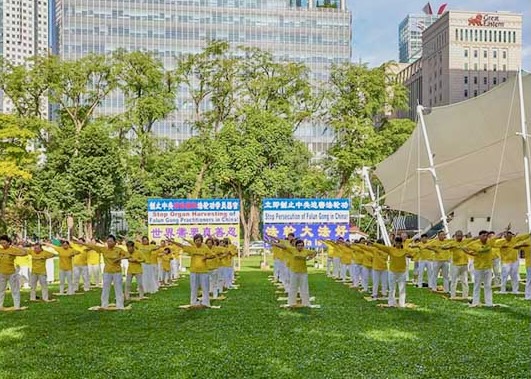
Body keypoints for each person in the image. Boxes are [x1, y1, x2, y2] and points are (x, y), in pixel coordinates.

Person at [82, 235, 129, 309]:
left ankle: (120, 305)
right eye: (108, 241)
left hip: (117, 272)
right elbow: (91, 246)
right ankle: (104, 304)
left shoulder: (119, 249)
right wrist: (81, 243)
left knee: (118, 288)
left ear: (114, 242)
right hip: (107, 271)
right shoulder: (103, 249)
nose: (109, 243)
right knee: (105, 288)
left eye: (111, 241)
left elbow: (128, 255)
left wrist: (120, 258)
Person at [170, 234, 214, 307]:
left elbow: (212, 255)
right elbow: (181, 245)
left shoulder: (205, 247)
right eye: (196, 241)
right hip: (193, 271)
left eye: (199, 240)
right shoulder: (191, 248)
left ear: (201, 241)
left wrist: (206, 257)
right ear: (194, 241)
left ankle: (206, 303)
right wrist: (173, 242)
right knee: (194, 287)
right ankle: (193, 302)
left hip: (203, 271)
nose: (198, 242)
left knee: (205, 288)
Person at [373, 237, 417, 308]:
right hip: (392, 271)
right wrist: (373, 243)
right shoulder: (390, 249)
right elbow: (382, 247)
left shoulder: (404, 250)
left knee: (402, 289)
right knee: (392, 288)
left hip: (402, 272)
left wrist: (411, 255)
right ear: (394, 243)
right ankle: (391, 303)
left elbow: (412, 254)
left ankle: (401, 303)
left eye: (399, 243)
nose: (398, 244)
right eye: (396, 243)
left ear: (401, 243)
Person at [272, 237, 316, 307]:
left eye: (301, 245)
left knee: (304, 288)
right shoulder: (292, 250)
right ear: (296, 246)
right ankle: (291, 303)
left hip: (303, 272)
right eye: (298, 246)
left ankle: (306, 303)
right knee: (293, 287)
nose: (300, 247)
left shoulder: (306, 251)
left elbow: (314, 252)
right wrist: (274, 244)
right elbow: (283, 247)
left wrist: (310, 258)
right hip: (294, 272)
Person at [462, 230, 495, 307]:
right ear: (480, 236)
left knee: (488, 285)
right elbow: (464, 247)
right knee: (477, 285)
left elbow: (497, 237)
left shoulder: (490, 242)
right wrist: (470, 253)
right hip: (478, 267)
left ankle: (489, 303)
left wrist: (505, 232)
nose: (485, 237)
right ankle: (475, 302)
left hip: (488, 267)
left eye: (486, 235)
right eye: (483, 235)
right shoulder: (474, 244)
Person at [0, 235, 28, 309]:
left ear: (9, 243)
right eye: (1, 243)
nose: (2, 245)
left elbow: (24, 253)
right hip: (1, 273)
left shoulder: (12, 250)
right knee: (1, 290)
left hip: (12, 273)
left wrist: (16, 246)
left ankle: (17, 306)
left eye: (4, 243)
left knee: (15, 290)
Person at [441, 230, 470, 299]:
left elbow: (474, 239)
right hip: (456, 265)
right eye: (457, 236)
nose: (459, 237)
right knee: (454, 280)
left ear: (462, 236)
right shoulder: (452, 243)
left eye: (460, 236)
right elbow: (443, 247)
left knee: (464, 281)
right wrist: (450, 247)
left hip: (464, 264)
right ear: (455, 236)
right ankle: (453, 295)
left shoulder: (465, 242)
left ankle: (465, 296)